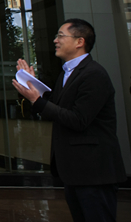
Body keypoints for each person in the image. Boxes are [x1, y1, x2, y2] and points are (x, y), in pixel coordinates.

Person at [12, 18, 126, 222]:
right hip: (75, 171)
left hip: (93, 172)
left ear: (79, 41)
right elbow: (56, 108)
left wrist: (36, 100)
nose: (55, 40)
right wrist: (32, 85)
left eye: (60, 36)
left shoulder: (94, 74)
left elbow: (78, 119)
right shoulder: (67, 73)